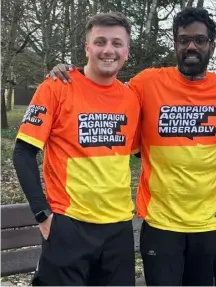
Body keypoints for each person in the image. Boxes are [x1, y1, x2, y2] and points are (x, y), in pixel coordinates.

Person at [48, 8, 216, 286]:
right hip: (161, 224)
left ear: (211, 46)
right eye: (183, 40)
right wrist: (70, 72)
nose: (191, 46)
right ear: (176, 44)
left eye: (199, 40)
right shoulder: (147, 83)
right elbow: (106, 90)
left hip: (209, 226)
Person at [13, 12, 140, 286]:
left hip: (118, 228)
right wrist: (42, 214)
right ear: (87, 48)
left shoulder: (132, 98)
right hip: (68, 225)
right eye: (100, 42)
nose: (109, 50)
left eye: (117, 43)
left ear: (127, 51)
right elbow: (22, 153)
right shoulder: (57, 86)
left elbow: (146, 151)